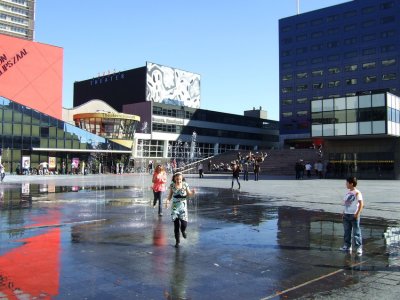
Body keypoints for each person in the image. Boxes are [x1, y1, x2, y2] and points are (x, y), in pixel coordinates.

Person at [165, 172, 195, 248]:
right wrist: (167, 202)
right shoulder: (172, 185)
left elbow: (189, 194)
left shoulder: (185, 185)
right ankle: (177, 241)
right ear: (175, 178)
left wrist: (193, 193)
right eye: (177, 179)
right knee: (176, 225)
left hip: (183, 207)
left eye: (180, 179)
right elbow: (169, 196)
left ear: (182, 179)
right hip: (175, 208)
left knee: (184, 224)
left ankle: (183, 230)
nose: (178, 180)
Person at [340, 176, 364, 255]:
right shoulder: (348, 193)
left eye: (347, 183)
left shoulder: (357, 192)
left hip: (354, 215)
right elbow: (347, 204)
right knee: (347, 231)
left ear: (351, 183)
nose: (346, 184)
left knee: (356, 232)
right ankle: (347, 245)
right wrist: (344, 212)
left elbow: (361, 204)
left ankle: (358, 248)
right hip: (346, 215)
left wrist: (357, 213)